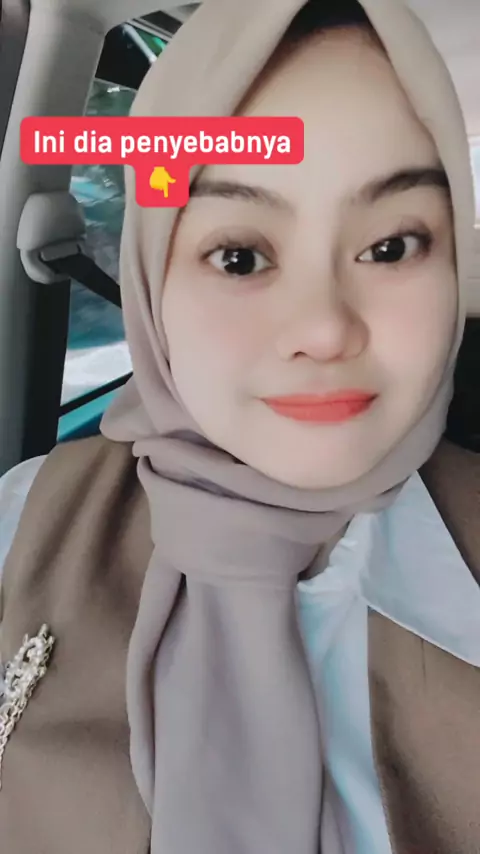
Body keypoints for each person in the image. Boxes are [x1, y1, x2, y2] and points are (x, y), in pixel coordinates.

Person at [0, 0, 477, 851]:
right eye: (240, 257)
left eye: (393, 247)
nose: (324, 329)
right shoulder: (20, 524)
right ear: (152, 276)